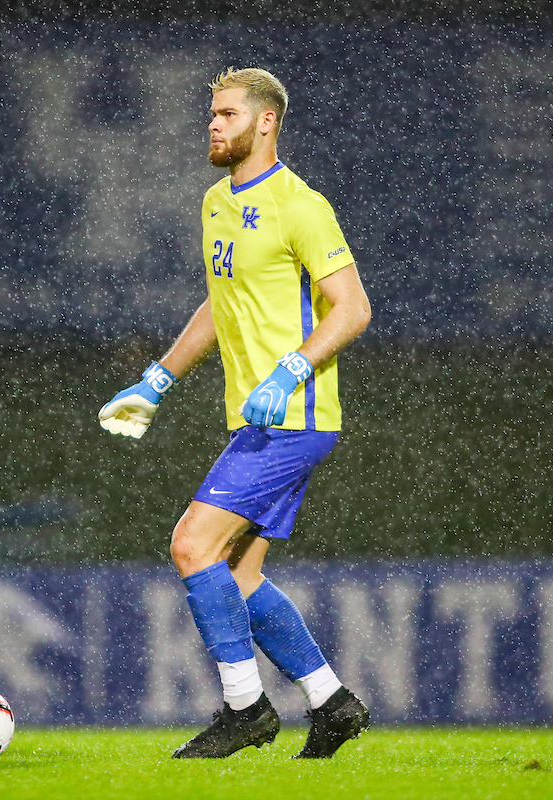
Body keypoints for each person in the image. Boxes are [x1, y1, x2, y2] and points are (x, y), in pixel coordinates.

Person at [98, 67, 373, 759]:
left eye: (225, 114)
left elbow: (354, 307)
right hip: (255, 421)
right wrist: (157, 380)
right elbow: (222, 307)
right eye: (211, 116)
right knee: (241, 578)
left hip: (296, 418)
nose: (213, 125)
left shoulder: (301, 206)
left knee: (192, 545)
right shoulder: (216, 202)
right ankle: (331, 702)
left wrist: (290, 369)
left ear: (265, 122)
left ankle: (245, 708)